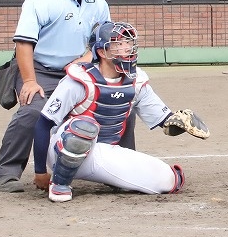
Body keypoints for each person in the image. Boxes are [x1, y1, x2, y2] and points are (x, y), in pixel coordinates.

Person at [0, 0, 136, 193]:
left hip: (80, 69)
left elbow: (104, 41)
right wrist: (29, 81)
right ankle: (6, 173)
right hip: (40, 69)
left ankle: (121, 171)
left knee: (119, 104)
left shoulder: (98, 1)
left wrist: (84, 59)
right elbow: (23, 44)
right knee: (33, 111)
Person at [32, 21, 208, 202]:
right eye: (118, 44)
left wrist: (181, 122)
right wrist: (40, 171)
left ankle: (115, 178)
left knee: (168, 180)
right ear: (102, 52)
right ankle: (59, 184)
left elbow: (165, 122)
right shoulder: (79, 80)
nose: (127, 48)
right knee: (84, 127)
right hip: (61, 151)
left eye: (128, 42)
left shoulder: (136, 82)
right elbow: (43, 124)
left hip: (102, 152)